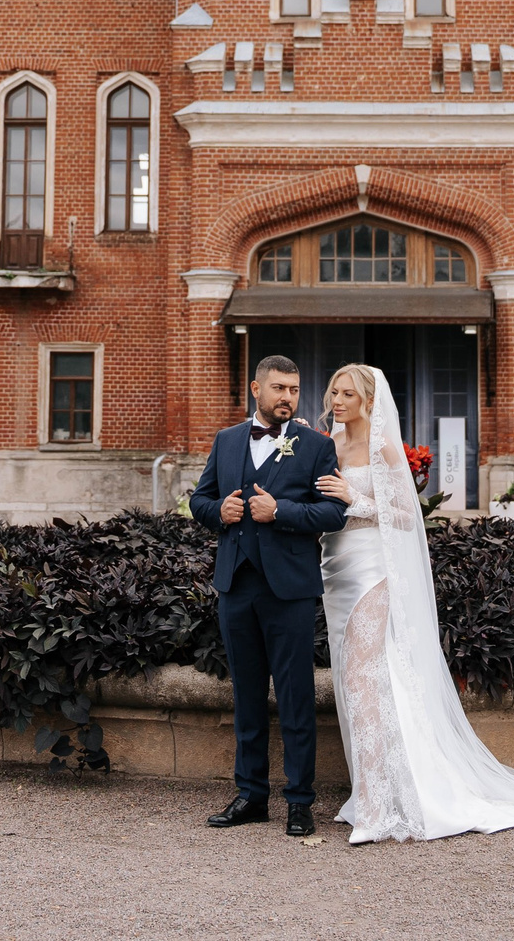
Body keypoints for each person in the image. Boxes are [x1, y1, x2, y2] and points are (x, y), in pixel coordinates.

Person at [315, 361, 514, 844]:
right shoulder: (329, 444)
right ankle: (371, 791)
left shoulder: (382, 446)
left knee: (361, 679)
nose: (338, 401)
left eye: (347, 393)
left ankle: (376, 807)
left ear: (368, 399)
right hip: (336, 569)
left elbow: (405, 517)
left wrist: (354, 498)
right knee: (356, 680)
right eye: (334, 392)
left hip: (373, 570)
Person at [187, 354, 348, 837]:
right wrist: (219, 511)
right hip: (236, 585)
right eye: (279, 388)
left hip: (289, 589)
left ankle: (300, 801)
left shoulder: (316, 445)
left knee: (296, 697)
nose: (287, 398)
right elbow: (199, 499)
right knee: (248, 695)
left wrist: (280, 511)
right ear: (256, 389)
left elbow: (333, 514)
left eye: (294, 390)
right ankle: (251, 795)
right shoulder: (227, 439)